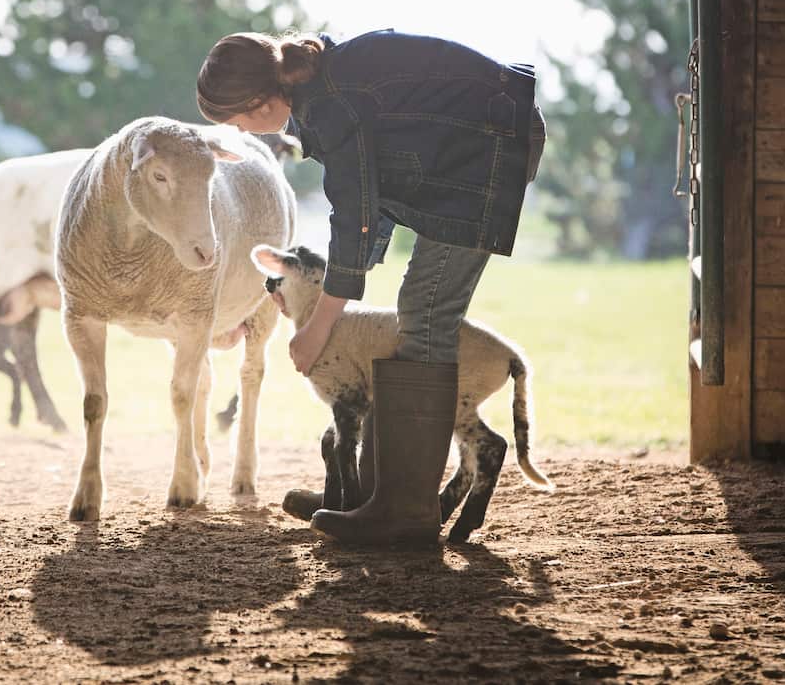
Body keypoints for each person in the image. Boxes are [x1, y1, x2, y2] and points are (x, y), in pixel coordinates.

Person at [196, 29, 545, 546]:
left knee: (425, 311)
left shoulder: (330, 105)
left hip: (489, 145)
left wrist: (318, 327)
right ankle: (367, 494)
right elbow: (372, 198)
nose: (242, 132)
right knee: (419, 309)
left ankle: (403, 512)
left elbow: (356, 213)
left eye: (237, 119)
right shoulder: (319, 92)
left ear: (260, 100)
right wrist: (351, 276)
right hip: (474, 141)